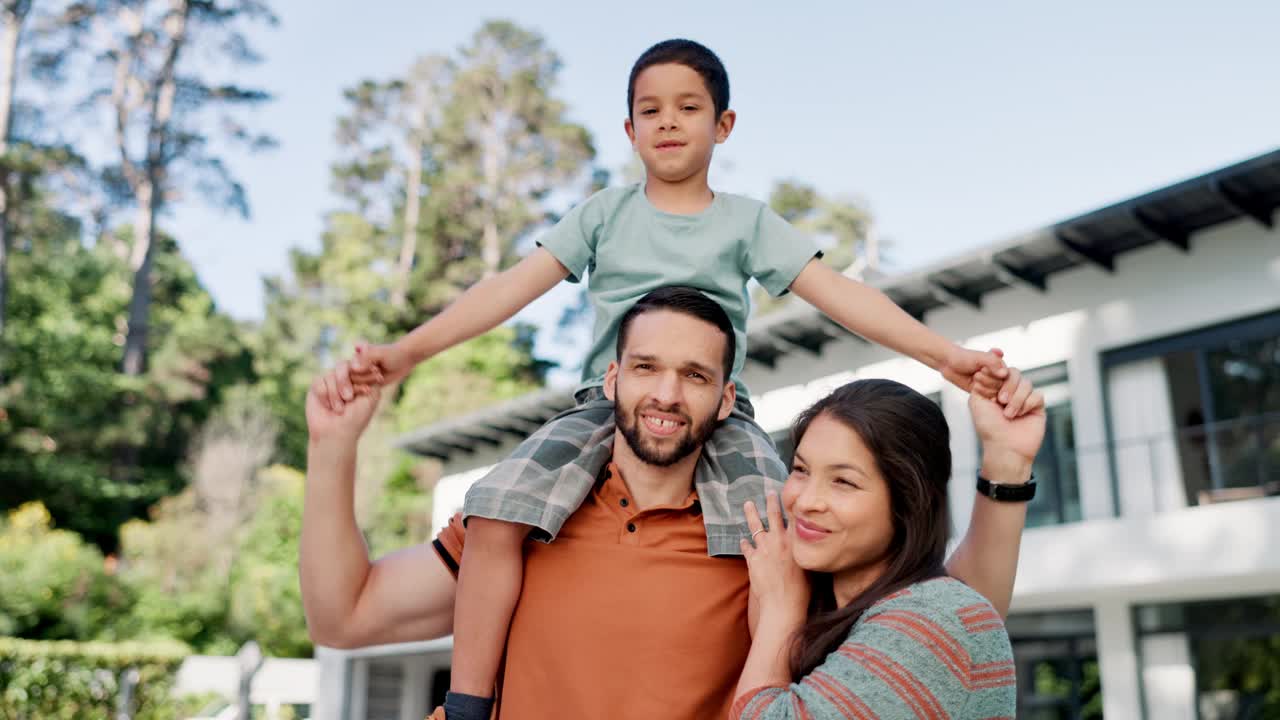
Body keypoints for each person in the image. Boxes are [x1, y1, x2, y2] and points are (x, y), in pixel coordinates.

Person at [315, 37, 1014, 718]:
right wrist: (405, 355)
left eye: (688, 107)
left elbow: (840, 294)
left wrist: (943, 357)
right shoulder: (605, 215)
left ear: (724, 125)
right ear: (628, 129)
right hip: (593, 412)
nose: (669, 122)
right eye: (651, 110)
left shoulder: (745, 223)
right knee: (496, 504)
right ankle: (466, 703)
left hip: (731, 436)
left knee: (779, 550)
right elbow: (509, 288)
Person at [300, 287, 1042, 720]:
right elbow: (346, 614)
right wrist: (333, 449)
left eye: (693, 375)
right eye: (647, 368)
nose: (664, 393)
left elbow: (951, 616)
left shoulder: (770, 537)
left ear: (726, 401)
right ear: (613, 379)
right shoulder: (527, 518)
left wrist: (1004, 471)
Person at [732, 378, 1044, 718]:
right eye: (801, 470)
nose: (805, 501)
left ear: (908, 501)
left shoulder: (933, 620)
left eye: (844, 482)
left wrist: (779, 610)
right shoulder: (830, 606)